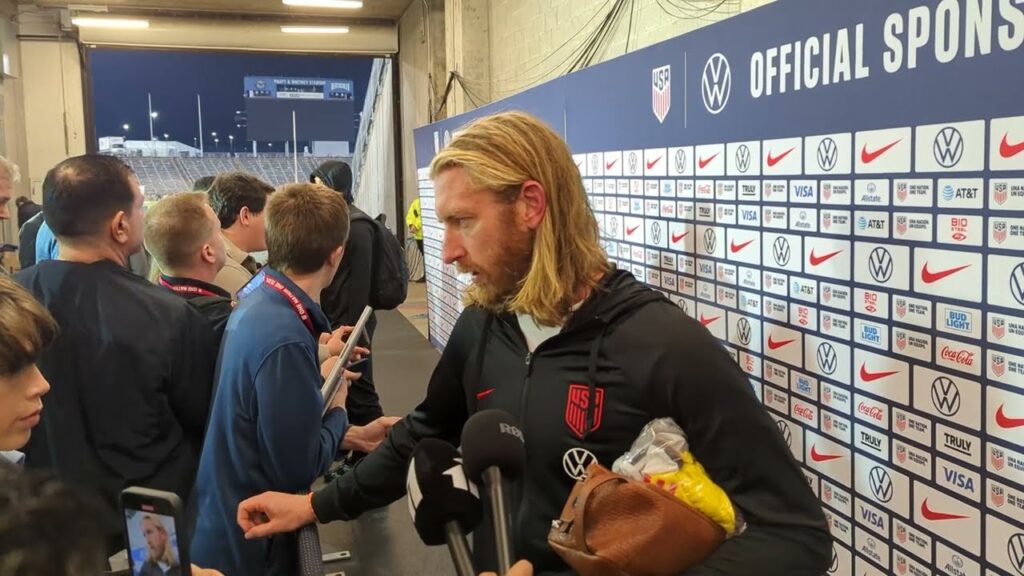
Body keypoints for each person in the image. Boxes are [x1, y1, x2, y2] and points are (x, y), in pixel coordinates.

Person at [237, 112, 832, 575]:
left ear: (530, 205)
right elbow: (423, 432)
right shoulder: (484, 324)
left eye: (463, 221)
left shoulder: (662, 345)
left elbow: (794, 535)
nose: (445, 251)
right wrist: (316, 506)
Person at [191, 182, 399, 576]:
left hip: (231, 520)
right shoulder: (283, 337)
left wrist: (353, 435)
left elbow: (267, 427)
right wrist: (338, 410)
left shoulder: (260, 304)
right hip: (253, 537)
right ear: (336, 255)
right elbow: (297, 467)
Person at [15, 155, 217, 555]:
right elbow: (204, 420)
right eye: (141, 205)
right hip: (149, 521)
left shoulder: (14, 301)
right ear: (120, 225)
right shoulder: (170, 315)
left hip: (47, 518)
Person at [311, 160, 385, 466]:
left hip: (354, 327)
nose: (315, 193)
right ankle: (360, 455)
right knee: (348, 391)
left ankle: (377, 460)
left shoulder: (358, 228)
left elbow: (360, 288)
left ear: (336, 187)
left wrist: (352, 332)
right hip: (338, 325)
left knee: (362, 393)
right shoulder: (340, 224)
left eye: (319, 187)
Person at [144, 192, 232, 342]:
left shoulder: (142, 308)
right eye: (218, 231)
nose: (224, 238)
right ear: (208, 252)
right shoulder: (226, 322)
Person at [206, 172, 272, 296]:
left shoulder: (224, 259)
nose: (275, 223)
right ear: (245, 216)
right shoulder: (228, 271)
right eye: (270, 214)